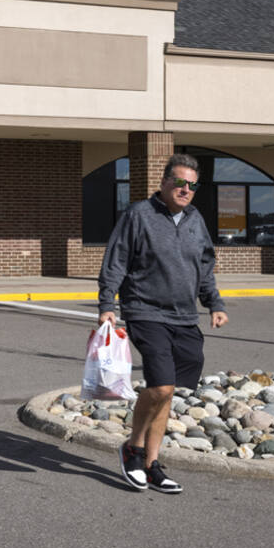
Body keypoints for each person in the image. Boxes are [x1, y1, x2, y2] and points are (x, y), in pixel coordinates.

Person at [97, 153, 228, 494]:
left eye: (192, 185)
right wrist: (107, 303)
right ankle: (133, 449)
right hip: (145, 310)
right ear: (164, 182)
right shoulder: (138, 215)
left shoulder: (195, 219)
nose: (186, 189)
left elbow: (204, 268)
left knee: (168, 390)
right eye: (180, 182)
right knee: (161, 386)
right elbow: (117, 260)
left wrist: (214, 303)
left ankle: (153, 464)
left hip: (184, 316)